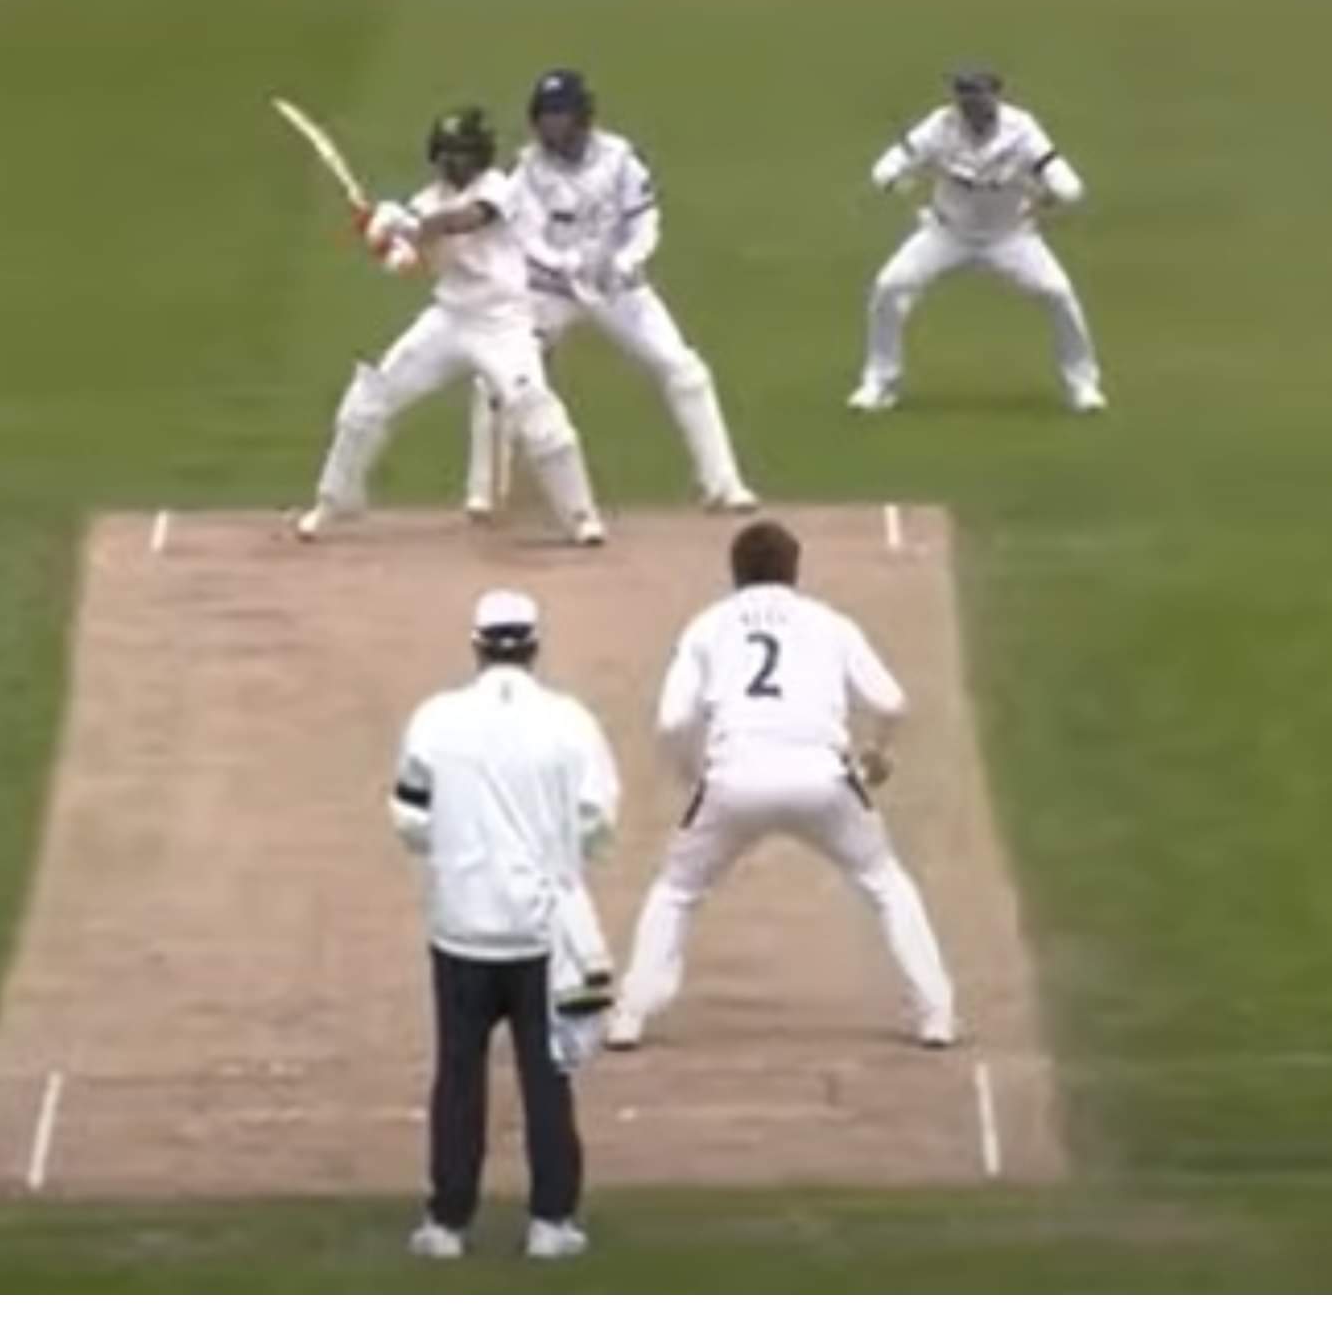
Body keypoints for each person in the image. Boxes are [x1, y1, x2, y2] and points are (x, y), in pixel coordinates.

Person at [605, 519, 960, 1051]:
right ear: (795, 571)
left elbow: (672, 722)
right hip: (824, 779)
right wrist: (878, 754)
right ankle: (937, 1014)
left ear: (734, 573)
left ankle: (630, 1014)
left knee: (676, 891)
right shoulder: (830, 623)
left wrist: (694, 776)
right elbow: (891, 702)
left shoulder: (707, 626)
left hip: (733, 778)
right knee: (886, 883)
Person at [392, 589, 621, 1261]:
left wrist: (457, 852)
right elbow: (598, 818)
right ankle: (552, 1222)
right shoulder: (570, 722)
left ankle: (447, 1224)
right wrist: (563, 859)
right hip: (542, 931)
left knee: (458, 1074)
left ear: (477, 646)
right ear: (534, 647)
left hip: (460, 926)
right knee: (548, 1075)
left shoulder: (436, 719)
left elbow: (410, 818)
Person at [295, 107, 608, 546]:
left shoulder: (500, 188)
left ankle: (581, 516)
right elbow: (410, 261)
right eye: (444, 153)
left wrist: (407, 225)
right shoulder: (426, 199)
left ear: (479, 155)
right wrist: (383, 242)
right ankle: (335, 500)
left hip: (503, 324)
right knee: (370, 396)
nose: (450, 162)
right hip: (449, 319)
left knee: (536, 411)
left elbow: (464, 221)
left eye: (459, 153)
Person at [463, 68, 758, 520]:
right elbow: (526, 235)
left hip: (619, 288)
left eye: (560, 115)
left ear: (582, 116)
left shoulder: (620, 159)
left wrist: (624, 262)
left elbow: (645, 221)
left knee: (685, 370)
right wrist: (565, 265)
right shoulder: (528, 171)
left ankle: (723, 484)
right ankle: (485, 492)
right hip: (549, 291)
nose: (551, 125)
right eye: (545, 116)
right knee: (497, 378)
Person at [847, 67, 1106, 414]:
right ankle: (880, 382)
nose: (969, 103)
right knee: (889, 287)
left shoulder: (1022, 129)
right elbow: (889, 164)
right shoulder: (940, 125)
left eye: (977, 94)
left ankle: (1082, 385)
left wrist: (1055, 194)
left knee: (1058, 294)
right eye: (963, 95)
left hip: (1010, 237)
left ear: (995, 95)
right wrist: (897, 181)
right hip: (946, 234)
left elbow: (1065, 181)